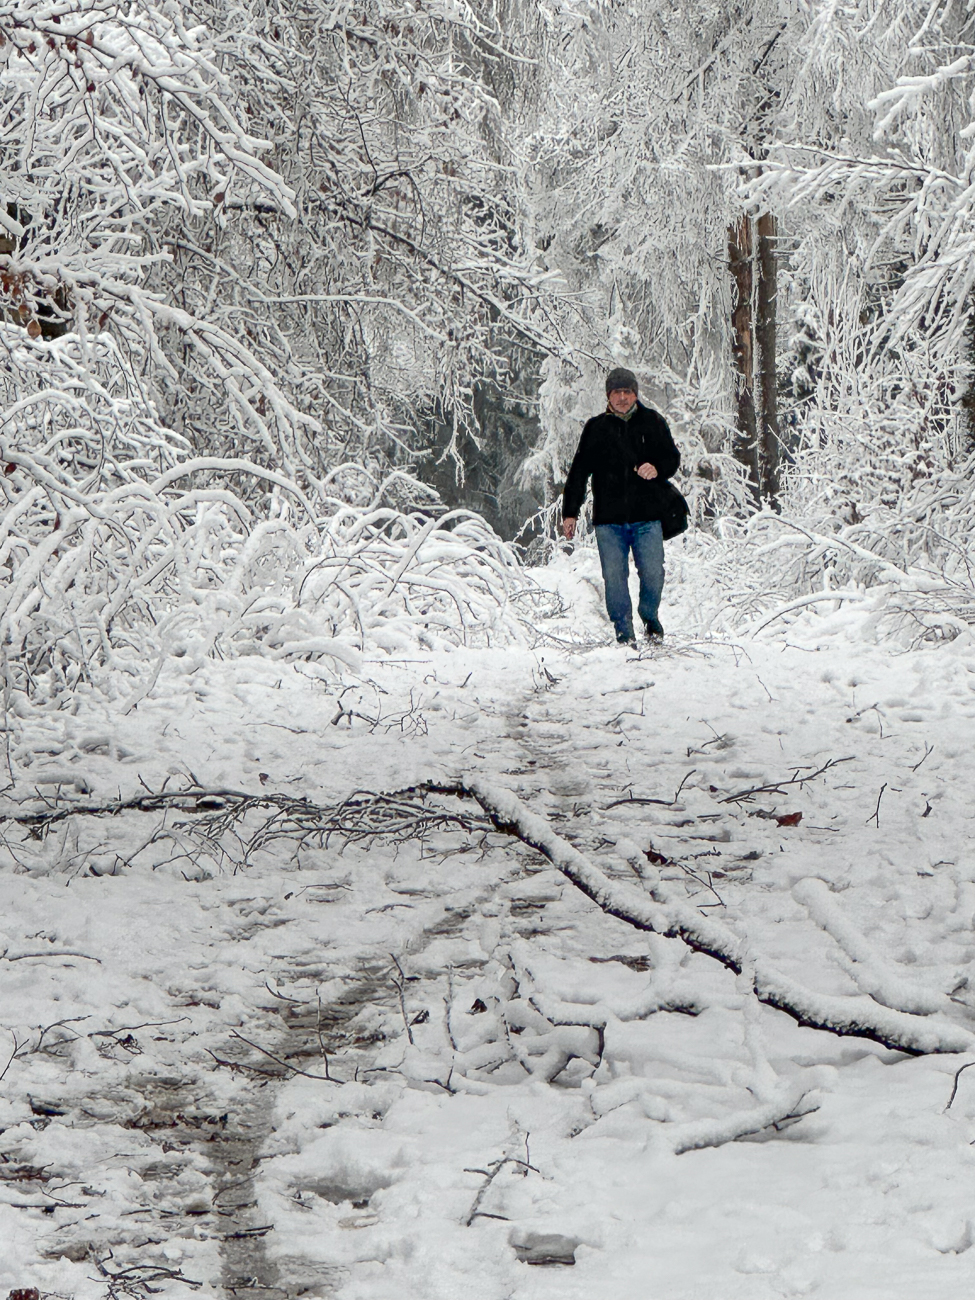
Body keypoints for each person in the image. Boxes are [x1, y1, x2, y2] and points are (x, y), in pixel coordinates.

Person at [562, 367, 681, 645]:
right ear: (608, 396)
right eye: (618, 392)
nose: (623, 397)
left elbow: (672, 459)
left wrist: (657, 467)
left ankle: (650, 617)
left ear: (636, 394)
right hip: (608, 520)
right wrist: (570, 513)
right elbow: (578, 472)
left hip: (648, 517)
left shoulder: (652, 422)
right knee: (614, 579)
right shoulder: (595, 428)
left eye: (628, 392)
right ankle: (624, 632)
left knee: (653, 573)